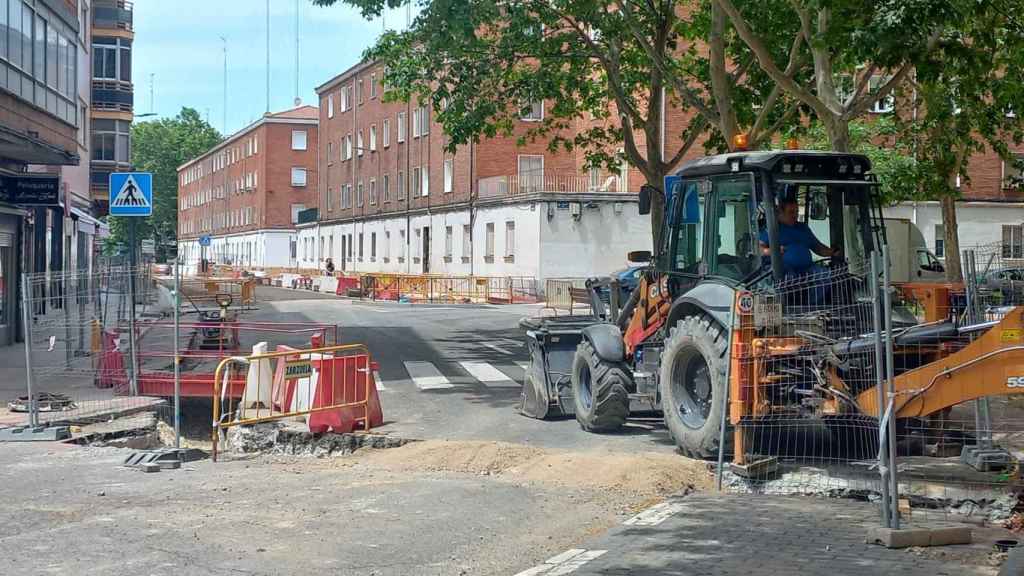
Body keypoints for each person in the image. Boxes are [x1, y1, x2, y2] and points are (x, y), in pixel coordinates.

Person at [758, 197, 840, 276]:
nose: (795, 215)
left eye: (797, 212)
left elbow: (818, 248)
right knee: (789, 277)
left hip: (807, 269)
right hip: (786, 271)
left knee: (824, 274)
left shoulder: (803, 228)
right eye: (791, 212)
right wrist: (771, 251)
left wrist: (833, 251)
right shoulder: (773, 229)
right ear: (780, 213)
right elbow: (759, 248)